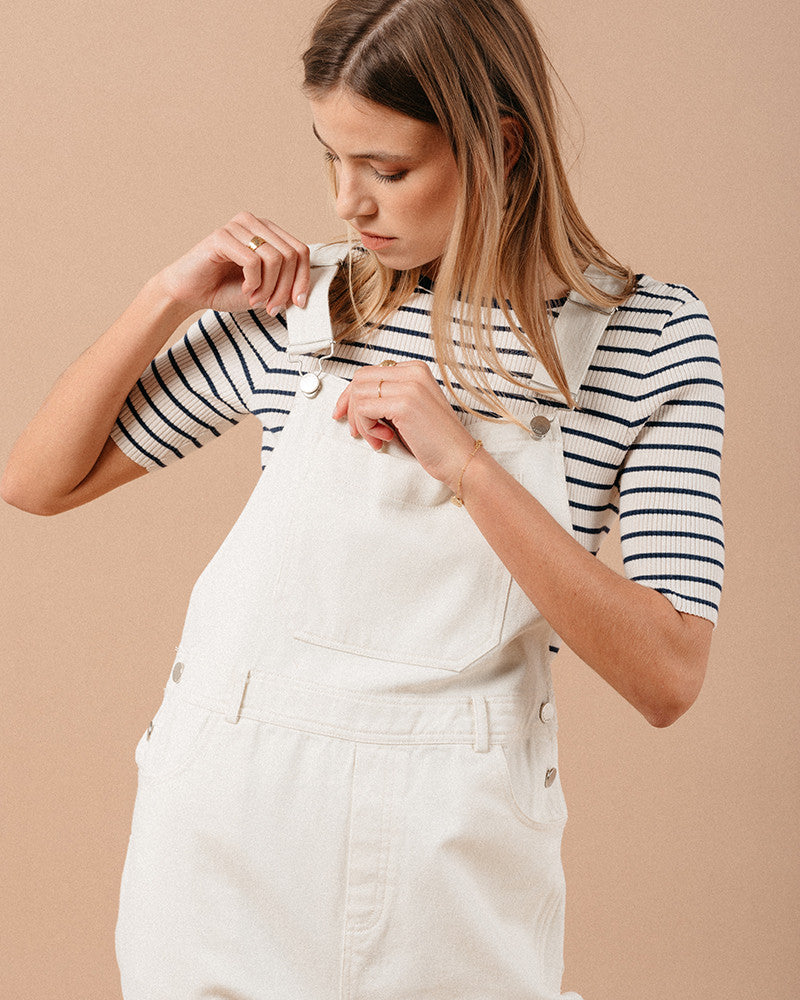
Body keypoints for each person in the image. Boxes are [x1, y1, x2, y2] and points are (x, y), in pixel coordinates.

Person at [1, 0, 724, 997]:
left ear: (501, 146)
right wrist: (164, 294)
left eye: (387, 169)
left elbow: (667, 675)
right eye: (331, 159)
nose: (349, 205)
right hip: (222, 836)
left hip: (448, 861)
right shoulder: (308, 303)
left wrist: (468, 468)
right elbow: (35, 481)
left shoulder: (647, 339)